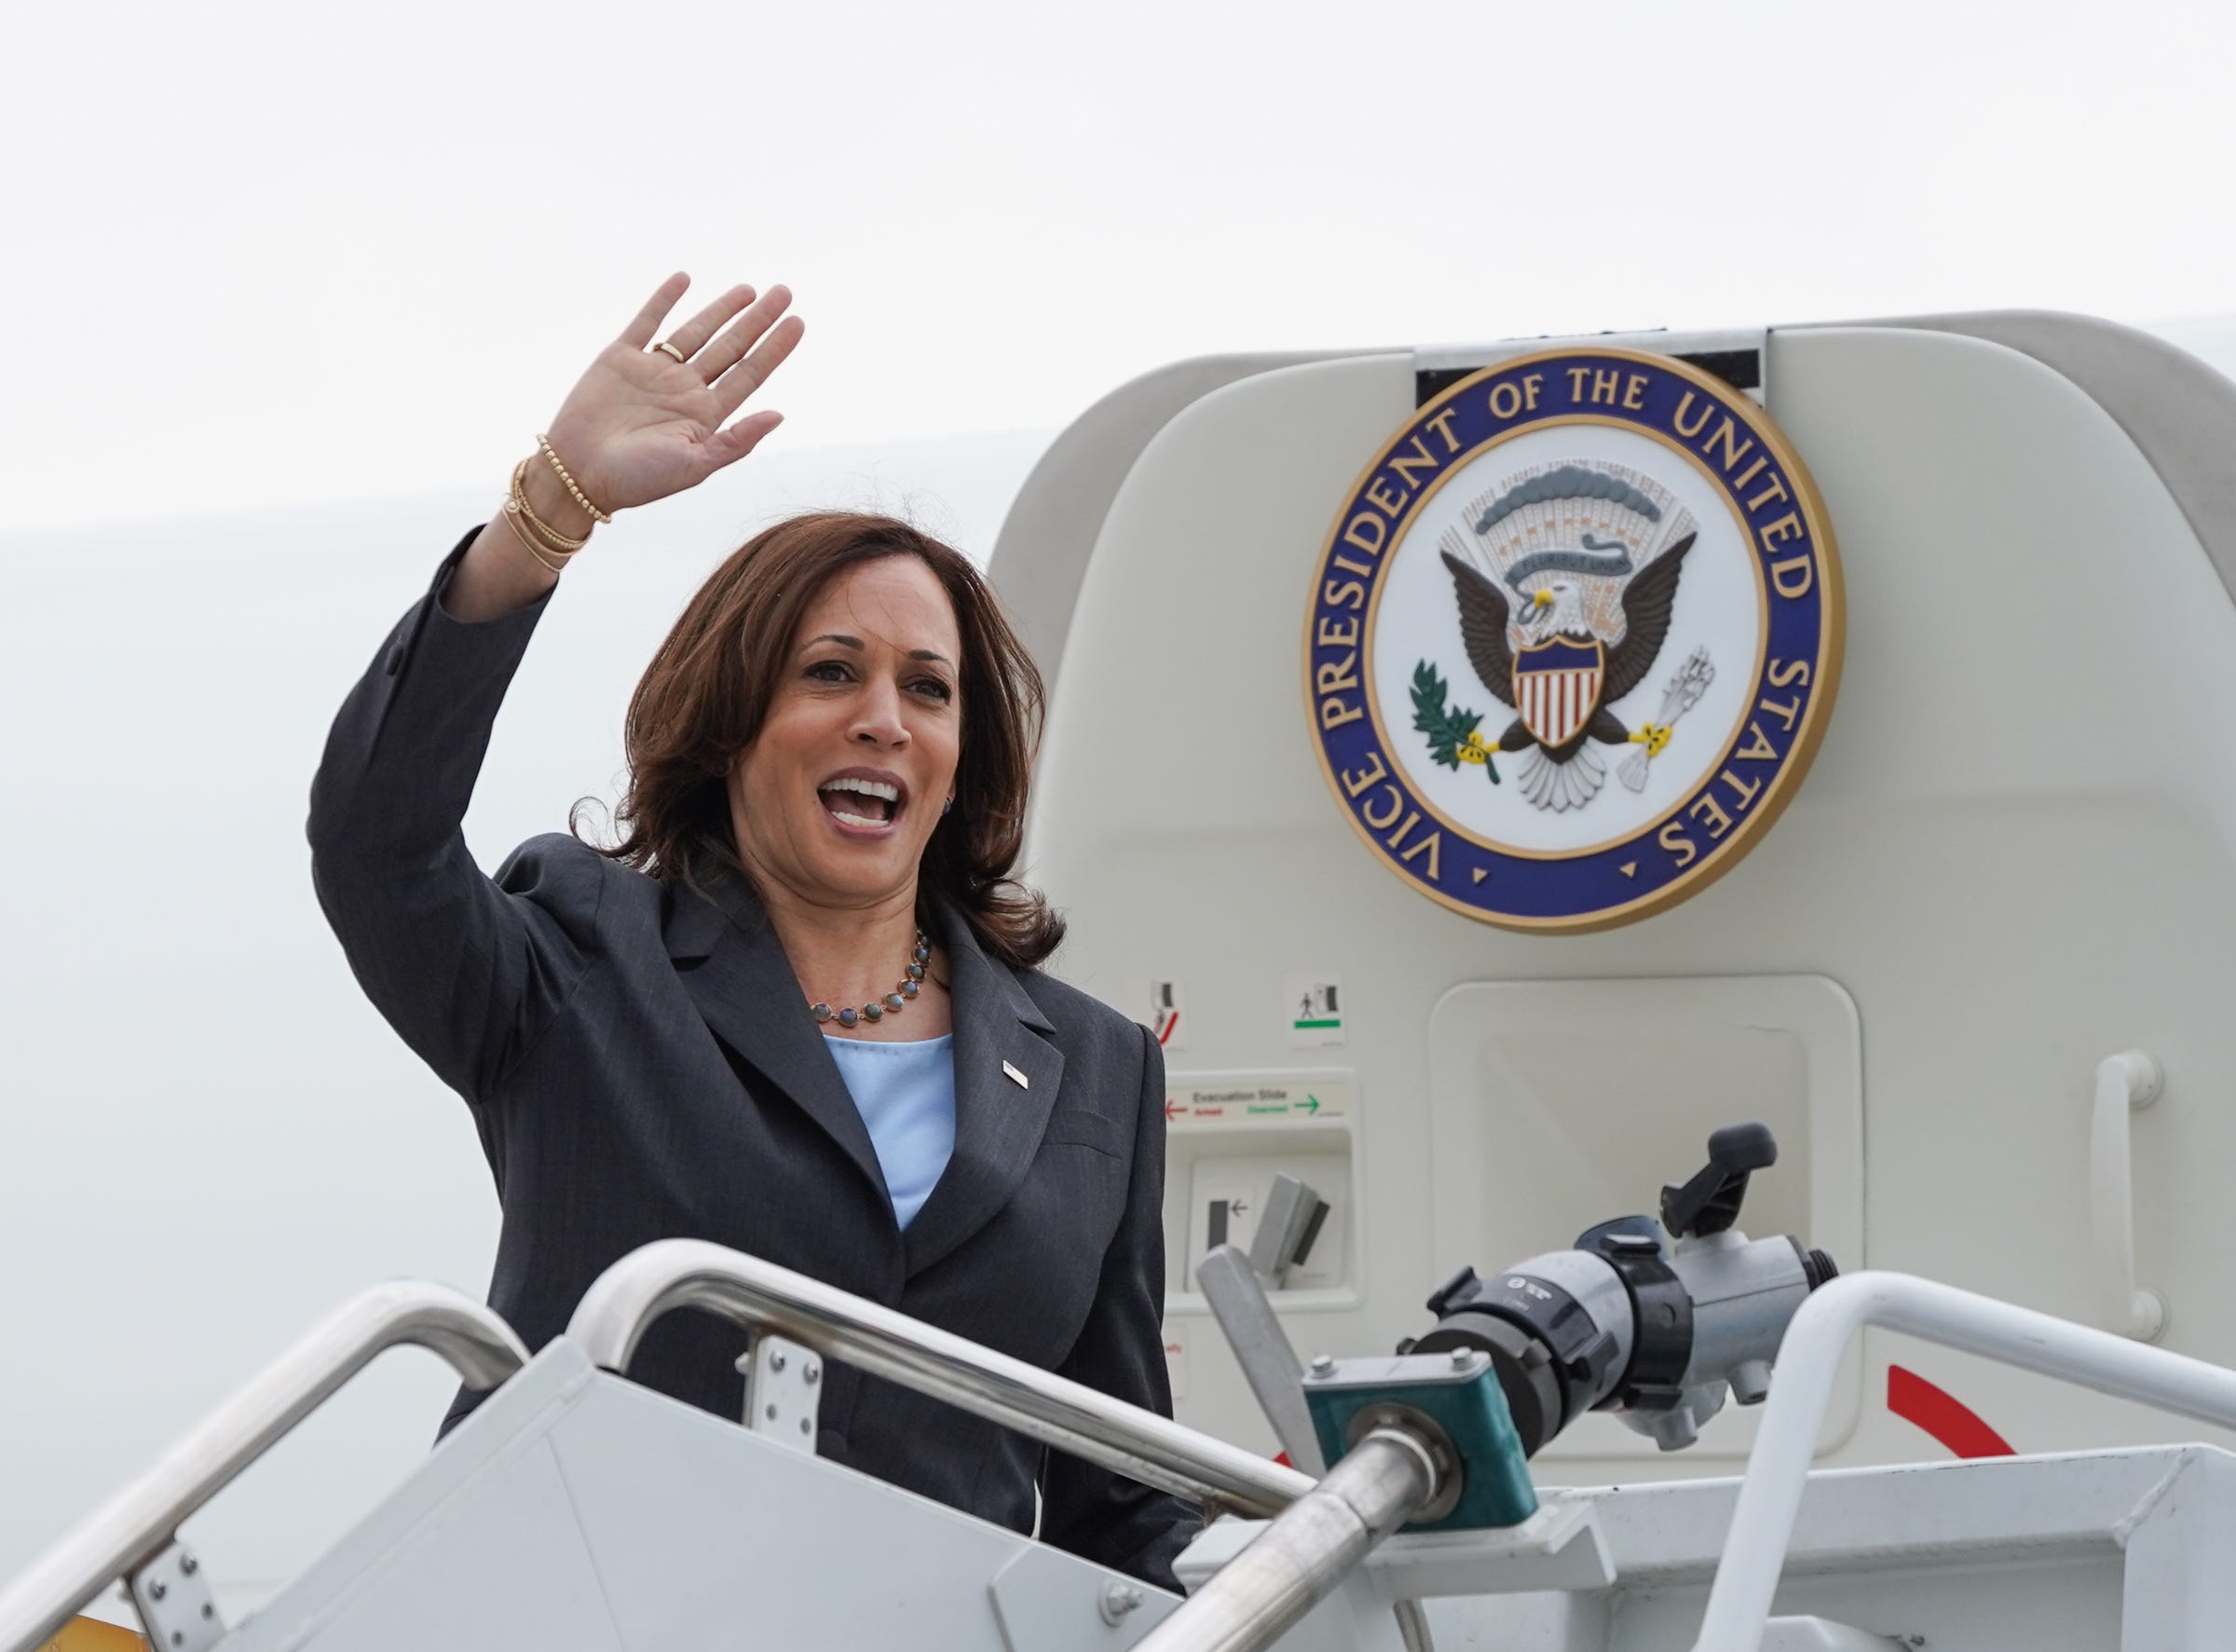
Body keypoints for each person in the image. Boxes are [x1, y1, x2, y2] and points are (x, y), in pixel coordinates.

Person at [307, 274, 1199, 1586]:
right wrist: (547, 516)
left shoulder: (1099, 1070)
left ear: (965, 754)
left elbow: (1116, 1505)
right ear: (728, 725)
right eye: (831, 672)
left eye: (928, 689)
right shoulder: (581, 961)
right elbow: (377, 843)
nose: (885, 719)